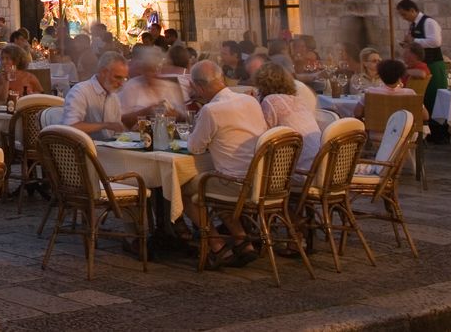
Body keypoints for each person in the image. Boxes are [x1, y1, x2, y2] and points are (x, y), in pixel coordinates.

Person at [184, 60, 268, 266]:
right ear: (221, 78)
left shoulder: (211, 110)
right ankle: (241, 240)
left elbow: (195, 148)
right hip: (260, 178)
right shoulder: (250, 101)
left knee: (183, 188)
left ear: (199, 87)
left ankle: (216, 244)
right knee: (215, 182)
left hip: (235, 184)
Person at [397, 0, 449, 143]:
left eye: (404, 14)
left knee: (435, 97)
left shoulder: (429, 22)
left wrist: (414, 42)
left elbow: (435, 41)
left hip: (433, 64)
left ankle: (441, 133)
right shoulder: (413, 25)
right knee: (425, 98)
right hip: (422, 64)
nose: (404, 18)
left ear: (412, 10)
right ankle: (430, 133)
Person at [255, 61, 320, 172]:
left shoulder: (270, 101)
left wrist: (253, 103)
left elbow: (263, 137)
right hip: (318, 164)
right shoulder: (298, 100)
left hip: (301, 171)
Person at [63, 51, 129, 137]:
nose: (121, 83)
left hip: (108, 148)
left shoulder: (114, 97)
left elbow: (117, 132)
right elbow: (70, 127)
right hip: (83, 148)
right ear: (104, 72)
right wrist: (105, 125)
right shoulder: (80, 91)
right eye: (117, 77)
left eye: (124, 79)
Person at [119, 48, 189, 126]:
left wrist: (176, 115)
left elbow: (184, 117)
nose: (154, 73)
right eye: (149, 69)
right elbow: (122, 119)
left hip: (168, 133)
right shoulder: (132, 86)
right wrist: (147, 112)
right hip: (138, 135)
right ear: (142, 69)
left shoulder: (171, 87)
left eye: (157, 68)